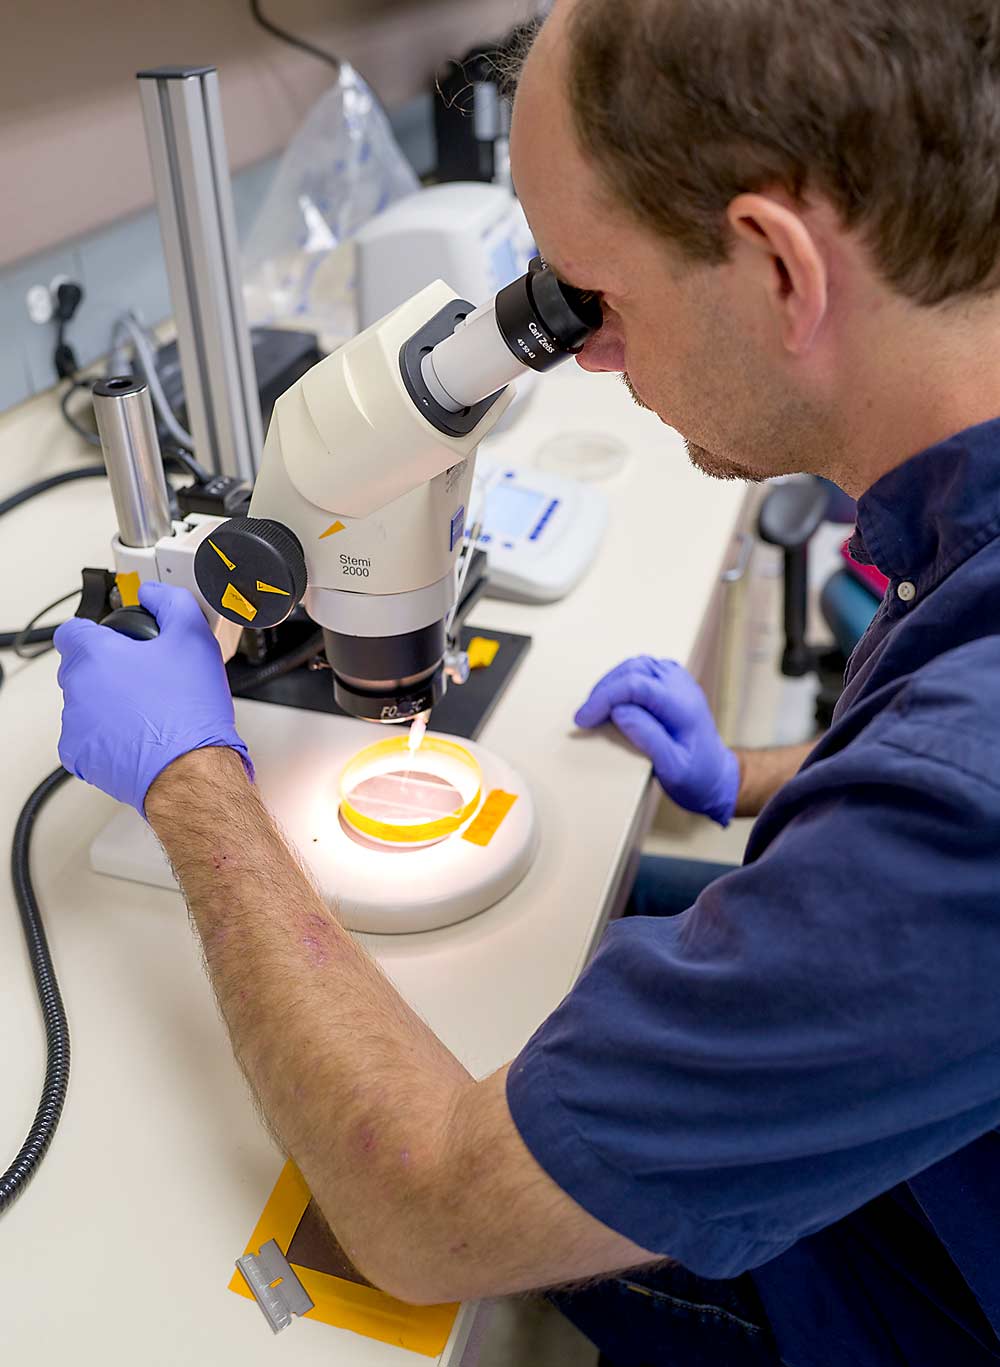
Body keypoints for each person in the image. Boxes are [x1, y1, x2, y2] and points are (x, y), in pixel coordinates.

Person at [53, 1, 1000, 1363]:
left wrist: (194, 785)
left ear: (781, 269)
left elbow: (426, 1208)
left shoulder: (967, 806)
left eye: (593, 297)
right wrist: (759, 779)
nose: (591, 356)